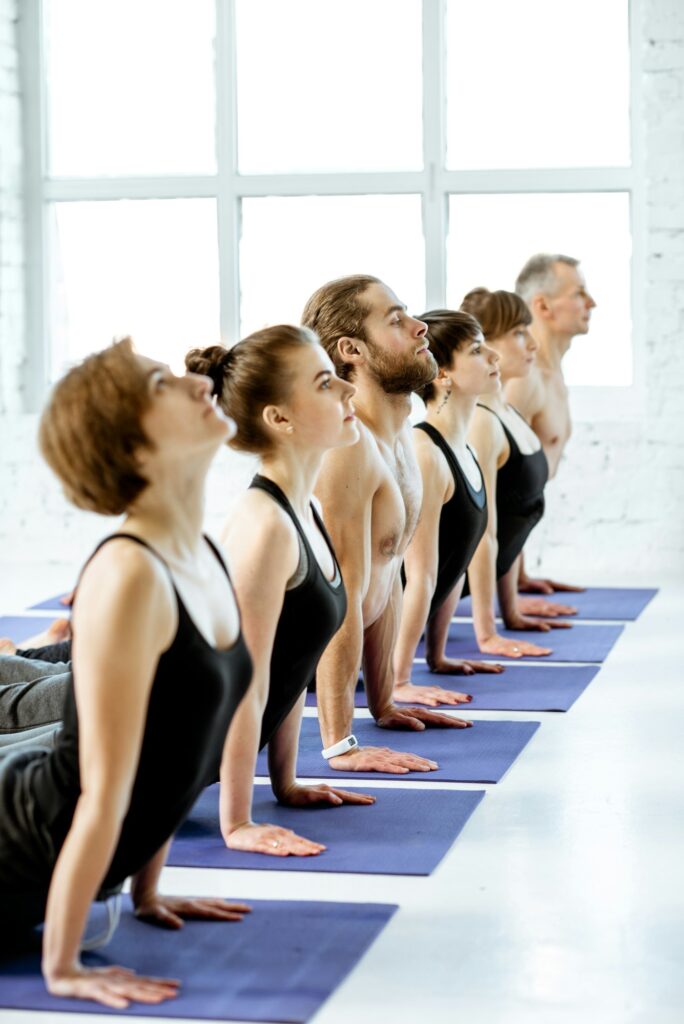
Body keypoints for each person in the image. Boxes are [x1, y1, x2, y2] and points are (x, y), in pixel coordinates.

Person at [0, 338, 253, 1009]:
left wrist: (146, 890)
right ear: (132, 448)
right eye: (160, 385)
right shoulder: (129, 571)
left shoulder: (200, 555)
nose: (198, 385)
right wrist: (63, 968)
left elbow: (173, 747)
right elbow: (102, 787)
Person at [185, 327, 375, 859]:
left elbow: (296, 656)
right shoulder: (267, 525)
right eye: (324, 383)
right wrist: (238, 822)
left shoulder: (303, 511)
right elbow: (243, 682)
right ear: (280, 418)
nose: (348, 391)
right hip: (113, 741)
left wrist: (285, 783)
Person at [302, 275, 472, 778]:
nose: (421, 328)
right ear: (351, 349)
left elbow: (387, 572)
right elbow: (344, 597)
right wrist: (340, 748)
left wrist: (385, 703)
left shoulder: (399, 441)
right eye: (396, 320)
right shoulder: (346, 448)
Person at [393, 310, 505, 695]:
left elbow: (452, 566)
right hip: (348, 657)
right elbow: (416, 576)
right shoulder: (426, 453)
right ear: (442, 374)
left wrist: (437, 658)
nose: (495, 357)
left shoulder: (465, 449)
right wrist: (400, 681)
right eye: (477, 350)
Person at [460, 289, 573, 658]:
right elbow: (482, 536)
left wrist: (513, 610)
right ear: (483, 344)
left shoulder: (507, 415)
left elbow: (511, 526)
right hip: (423, 597)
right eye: (518, 333)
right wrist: (487, 634)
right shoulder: (480, 422)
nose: (532, 344)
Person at [506, 253, 596, 594]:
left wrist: (520, 578)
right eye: (578, 294)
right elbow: (496, 492)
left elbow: (522, 496)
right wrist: (507, 601)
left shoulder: (551, 371)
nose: (592, 303)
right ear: (542, 306)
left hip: (501, 562)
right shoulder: (523, 379)